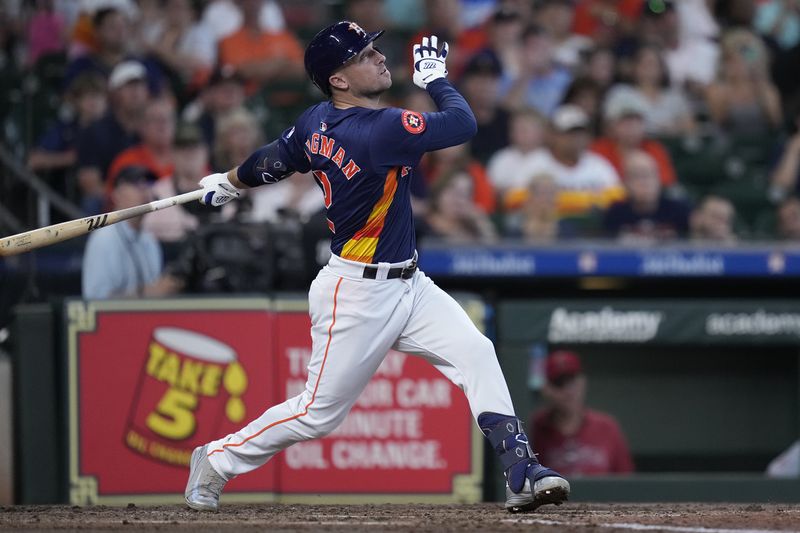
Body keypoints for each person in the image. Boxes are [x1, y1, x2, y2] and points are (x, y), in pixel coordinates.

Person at [184, 20, 570, 514]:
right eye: (364, 55)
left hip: (409, 282)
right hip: (357, 293)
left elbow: (274, 160)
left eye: (373, 49)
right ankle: (216, 458)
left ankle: (522, 471)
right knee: (317, 413)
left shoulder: (316, 120)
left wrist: (233, 181)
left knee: (475, 350)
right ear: (339, 80)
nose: (379, 57)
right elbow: (463, 125)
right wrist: (435, 79)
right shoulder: (381, 129)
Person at [81, 166, 183, 299]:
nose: (144, 190)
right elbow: (95, 300)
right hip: (113, 320)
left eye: (148, 184)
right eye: (136, 184)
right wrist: (147, 293)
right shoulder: (104, 238)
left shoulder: (149, 239)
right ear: (116, 194)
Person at [530, 350, 635, 477]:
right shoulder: (535, 428)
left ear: (582, 382)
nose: (569, 391)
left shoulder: (607, 427)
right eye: (559, 383)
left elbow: (627, 480)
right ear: (547, 390)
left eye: (572, 382)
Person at [603, 150, 690, 242]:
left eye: (648, 175)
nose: (644, 182)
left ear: (659, 178)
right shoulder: (615, 214)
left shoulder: (679, 211)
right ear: (625, 182)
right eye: (636, 176)